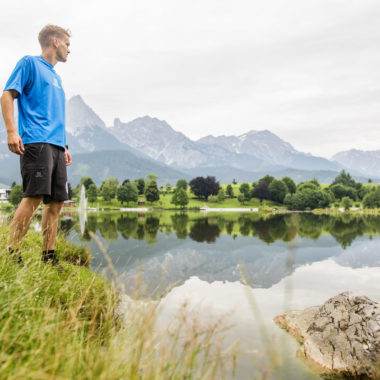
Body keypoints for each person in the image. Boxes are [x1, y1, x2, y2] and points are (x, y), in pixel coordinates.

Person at [1, 25, 72, 265]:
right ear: (54, 42)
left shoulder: (56, 77)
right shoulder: (29, 63)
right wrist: (11, 130)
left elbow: (55, 115)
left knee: (57, 202)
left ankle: (48, 256)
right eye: (67, 44)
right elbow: (7, 95)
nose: (69, 50)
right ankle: (12, 253)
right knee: (34, 196)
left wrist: (65, 146)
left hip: (56, 146)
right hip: (36, 141)